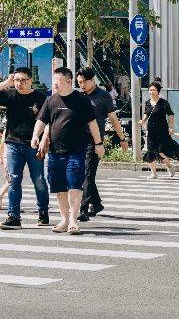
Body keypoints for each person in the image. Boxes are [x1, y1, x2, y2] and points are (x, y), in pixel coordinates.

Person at [33, 67, 102, 235]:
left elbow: (92, 123)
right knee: (59, 187)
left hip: (77, 150)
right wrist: (36, 136)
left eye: (59, 80)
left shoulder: (81, 100)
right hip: (56, 151)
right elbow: (42, 121)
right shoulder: (50, 101)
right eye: (54, 79)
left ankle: (73, 220)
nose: (55, 83)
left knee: (74, 185)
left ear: (69, 81)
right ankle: (64, 219)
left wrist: (99, 143)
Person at [0, 67, 49, 229]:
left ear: (30, 80)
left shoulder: (40, 98)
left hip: (33, 145)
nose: (19, 84)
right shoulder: (10, 94)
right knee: (14, 180)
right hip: (13, 144)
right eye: (17, 80)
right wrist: (6, 83)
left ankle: (43, 211)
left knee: (39, 180)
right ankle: (13, 216)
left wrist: (44, 141)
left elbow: (48, 120)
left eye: (23, 80)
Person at [77, 67, 125, 222]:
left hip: (95, 142)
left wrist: (123, 139)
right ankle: (96, 203)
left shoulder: (104, 96)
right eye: (79, 82)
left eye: (84, 82)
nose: (82, 85)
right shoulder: (78, 96)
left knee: (88, 175)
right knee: (85, 175)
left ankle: (83, 209)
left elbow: (113, 119)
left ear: (93, 80)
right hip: (78, 141)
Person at [140, 82, 179, 178]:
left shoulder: (163, 102)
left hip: (162, 130)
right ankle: (154, 173)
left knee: (160, 151)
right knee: (150, 151)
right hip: (151, 131)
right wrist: (143, 120)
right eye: (150, 90)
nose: (151, 92)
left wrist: (170, 127)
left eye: (153, 90)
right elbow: (146, 114)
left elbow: (171, 114)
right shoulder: (147, 103)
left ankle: (169, 166)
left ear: (158, 91)